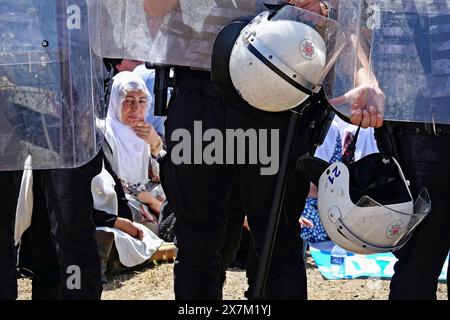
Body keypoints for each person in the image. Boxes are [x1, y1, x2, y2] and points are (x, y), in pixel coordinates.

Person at [143, 0, 383, 300]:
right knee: (197, 241)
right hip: (200, 90)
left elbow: (345, 19)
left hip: (278, 95)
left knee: (276, 240)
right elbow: (153, 10)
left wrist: (321, 11)